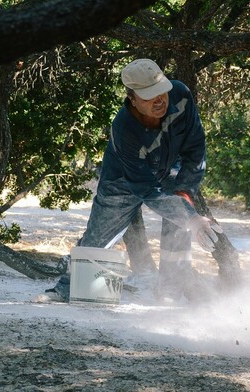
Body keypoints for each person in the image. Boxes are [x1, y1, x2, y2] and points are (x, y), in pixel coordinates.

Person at [47, 58, 221, 302]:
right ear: (133, 99)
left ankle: (170, 292)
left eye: (162, 91)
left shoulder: (181, 94)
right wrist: (189, 216)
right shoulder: (123, 127)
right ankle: (66, 289)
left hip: (170, 167)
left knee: (180, 222)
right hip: (125, 179)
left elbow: (195, 147)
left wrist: (185, 196)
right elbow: (146, 189)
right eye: (150, 96)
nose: (159, 100)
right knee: (98, 237)